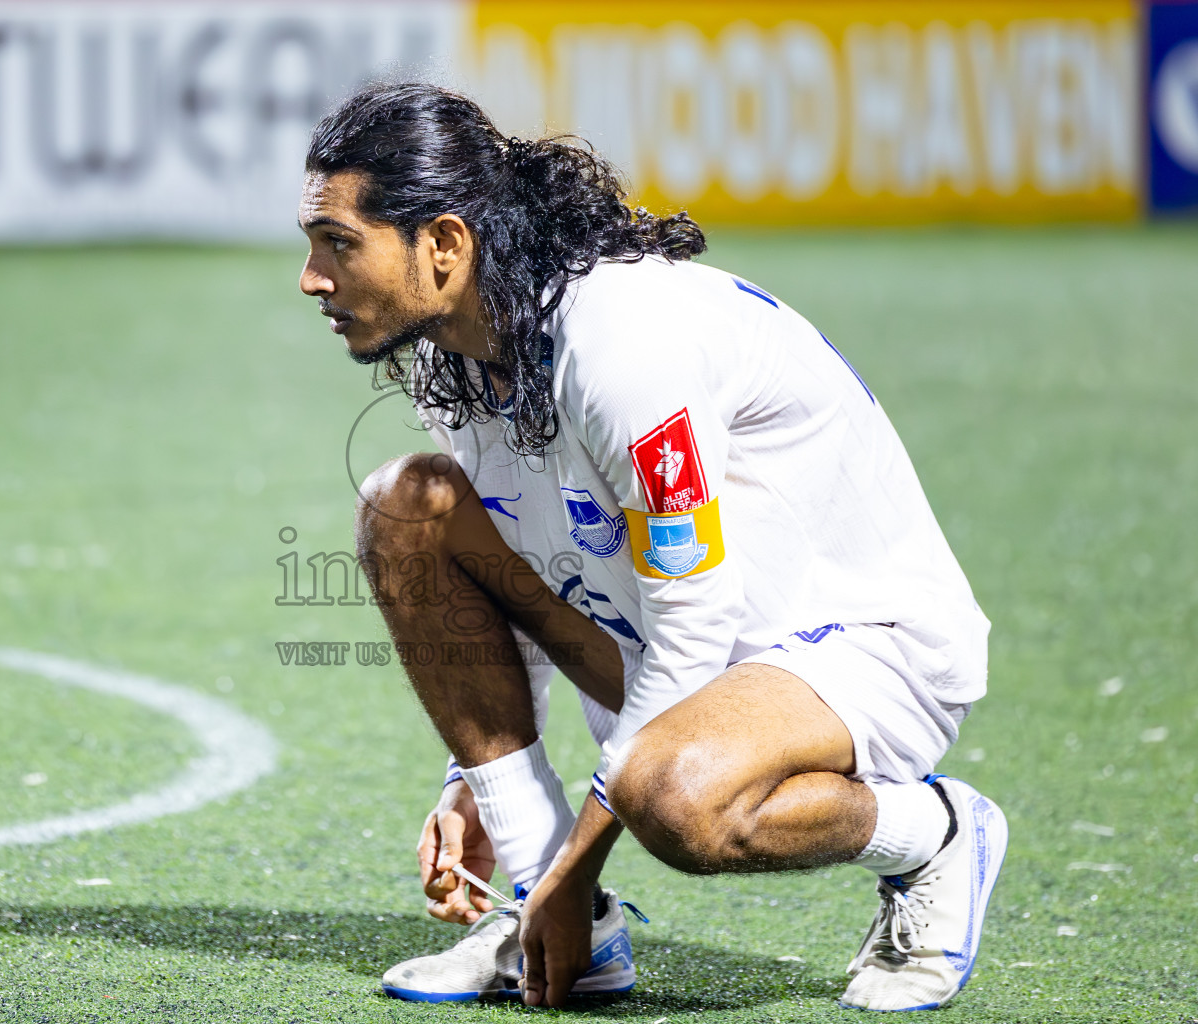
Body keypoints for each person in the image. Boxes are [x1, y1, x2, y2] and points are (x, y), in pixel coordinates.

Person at [296, 82, 1008, 1012]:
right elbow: (522, 549)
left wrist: (582, 848)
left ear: (443, 244)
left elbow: (696, 617)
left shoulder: (620, 342)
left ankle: (938, 831)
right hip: (671, 645)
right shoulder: (451, 345)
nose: (311, 277)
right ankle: (557, 920)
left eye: (338, 244)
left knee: (671, 794)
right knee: (407, 508)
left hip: (862, 647)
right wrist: (480, 791)